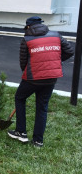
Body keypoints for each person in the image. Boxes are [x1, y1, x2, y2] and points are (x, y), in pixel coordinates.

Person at [7, 16, 74, 147]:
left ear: (28, 27)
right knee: (42, 107)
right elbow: (69, 51)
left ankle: (21, 132)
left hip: (33, 78)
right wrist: (54, 62)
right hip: (51, 77)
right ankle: (38, 141)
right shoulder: (56, 35)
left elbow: (23, 62)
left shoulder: (27, 39)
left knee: (20, 98)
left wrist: (28, 72)